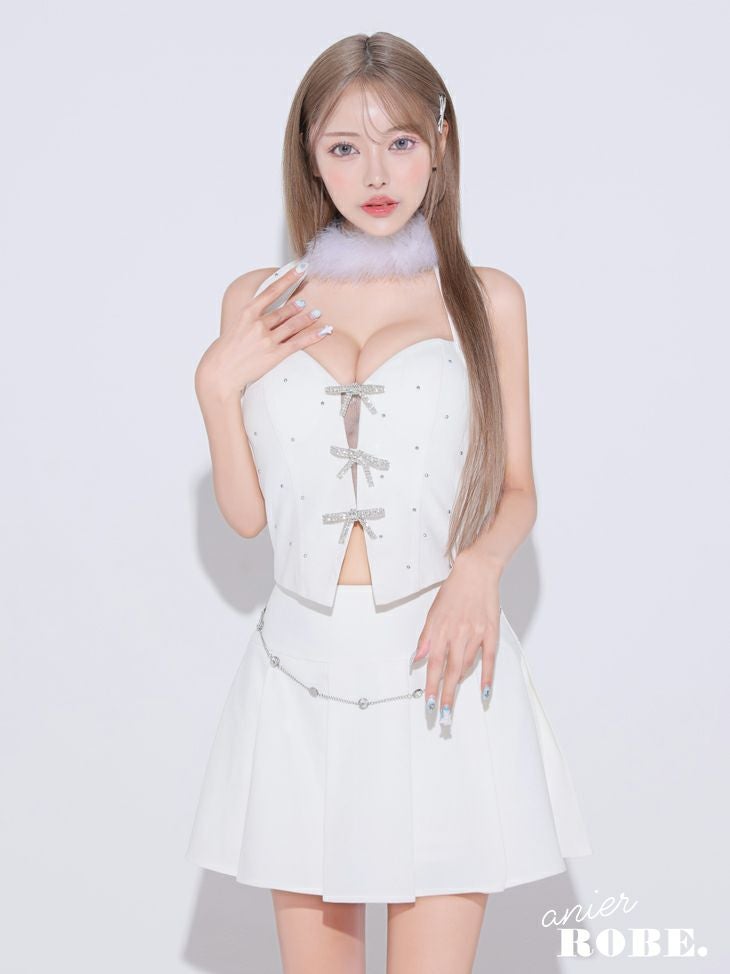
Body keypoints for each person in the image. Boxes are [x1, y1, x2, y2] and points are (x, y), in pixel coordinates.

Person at [186, 31, 592, 974]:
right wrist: (214, 384)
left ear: (440, 143)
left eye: (401, 141)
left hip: (440, 668)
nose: (375, 174)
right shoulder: (258, 299)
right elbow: (246, 518)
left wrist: (479, 567)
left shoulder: (486, 299)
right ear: (309, 156)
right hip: (300, 671)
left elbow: (519, 488)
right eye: (344, 147)